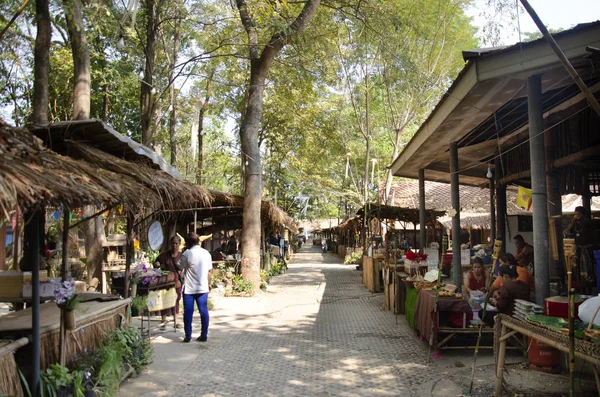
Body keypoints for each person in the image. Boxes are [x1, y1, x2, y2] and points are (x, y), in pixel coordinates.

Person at [176, 233, 213, 343]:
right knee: (203, 311)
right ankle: (204, 335)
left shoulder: (188, 254)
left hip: (189, 289)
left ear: (188, 243)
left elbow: (180, 266)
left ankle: (188, 336)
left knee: (188, 313)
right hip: (203, 288)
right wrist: (209, 284)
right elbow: (210, 271)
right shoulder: (206, 253)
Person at [154, 236, 183, 328]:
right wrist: (156, 264)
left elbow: (186, 267)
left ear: (179, 244)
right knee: (164, 300)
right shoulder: (164, 255)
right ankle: (163, 320)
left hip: (177, 282)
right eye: (173, 243)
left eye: (176, 243)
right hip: (165, 282)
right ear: (170, 244)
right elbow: (156, 263)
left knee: (176, 300)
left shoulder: (182, 256)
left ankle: (176, 320)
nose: (174, 245)